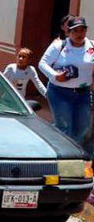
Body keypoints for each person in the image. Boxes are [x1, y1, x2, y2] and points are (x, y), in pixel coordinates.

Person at [39, 16, 94, 148]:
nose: (79, 34)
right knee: (65, 127)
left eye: (82, 30)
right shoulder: (59, 46)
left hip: (83, 94)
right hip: (60, 93)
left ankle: (69, 150)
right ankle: (62, 155)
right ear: (68, 32)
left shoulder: (92, 46)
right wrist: (55, 76)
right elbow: (43, 63)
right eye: (75, 31)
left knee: (83, 127)